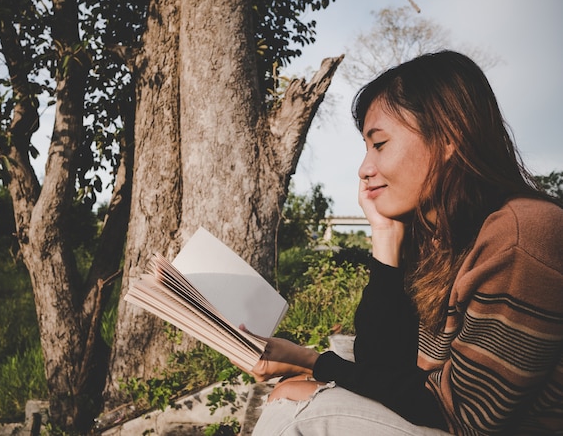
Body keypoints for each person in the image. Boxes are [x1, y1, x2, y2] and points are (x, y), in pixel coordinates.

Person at [239, 50, 563, 435]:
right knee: (292, 394)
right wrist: (386, 234)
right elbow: (386, 366)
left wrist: (314, 363)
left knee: (299, 410)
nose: (364, 169)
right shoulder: (441, 239)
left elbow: (467, 417)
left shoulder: (522, 234)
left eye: (379, 144)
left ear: (449, 137)